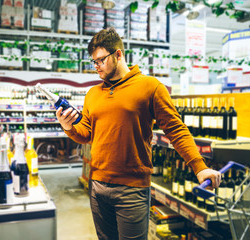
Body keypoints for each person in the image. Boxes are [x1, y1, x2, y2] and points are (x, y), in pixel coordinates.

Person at [55, 27, 221, 240]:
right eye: (93, 62)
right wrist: (68, 127)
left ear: (118, 54)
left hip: (131, 190)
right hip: (97, 186)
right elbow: (86, 133)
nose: (96, 67)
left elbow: (176, 129)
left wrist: (199, 167)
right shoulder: (93, 94)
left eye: (101, 60)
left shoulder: (150, 87)